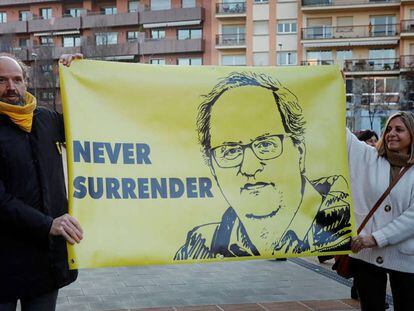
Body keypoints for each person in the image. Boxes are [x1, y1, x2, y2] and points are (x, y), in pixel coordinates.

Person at [175, 72, 352, 260]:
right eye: (230, 151)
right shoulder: (199, 245)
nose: (249, 168)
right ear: (212, 168)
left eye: (266, 144)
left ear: (299, 152)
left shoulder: (343, 224)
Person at [0, 53, 83, 310]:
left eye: (17, 79)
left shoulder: (45, 119)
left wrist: (78, 75)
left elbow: (87, 126)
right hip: (4, 260)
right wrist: (48, 224)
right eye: (1, 81)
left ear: (26, 82)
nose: (11, 87)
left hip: (45, 262)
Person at [348, 111, 414, 311]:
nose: (391, 134)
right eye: (388, 129)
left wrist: (377, 238)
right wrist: (334, 85)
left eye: (399, 129)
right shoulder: (368, 157)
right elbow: (339, 134)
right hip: (365, 255)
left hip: (406, 258)